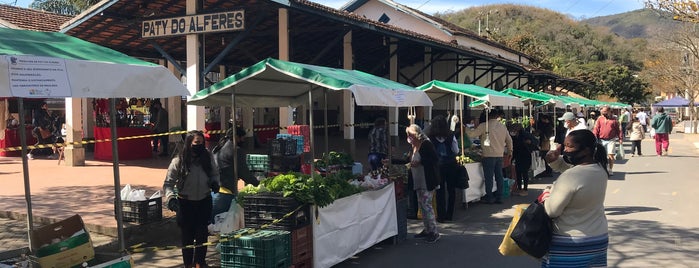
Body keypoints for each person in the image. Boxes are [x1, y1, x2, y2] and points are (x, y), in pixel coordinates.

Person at [540, 130, 609, 267]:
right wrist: (555, 161)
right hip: (598, 239)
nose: (565, 150)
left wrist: (547, 194)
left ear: (586, 150)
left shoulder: (571, 176)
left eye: (570, 146)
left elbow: (552, 211)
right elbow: (573, 171)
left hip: (571, 242)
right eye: (564, 146)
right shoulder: (600, 169)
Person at [163, 130, 220, 268]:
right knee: (187, 238)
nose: (199, 145)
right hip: (185, 204)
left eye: (201, 142)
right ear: (189, 144)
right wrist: (171, 199)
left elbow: (215, 174)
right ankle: (188, 265)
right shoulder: (179, 161)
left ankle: (200, 262)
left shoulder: (208, 157)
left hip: (204, 202)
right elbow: (168, 184)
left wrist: (214, 183)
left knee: (202, 235)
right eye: (196, 143)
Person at [211, 126, 259, 223]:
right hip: (225, 192)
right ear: (236, 137)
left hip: (214, 190)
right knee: (221, 223)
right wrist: (258, 184)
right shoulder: (235, 150)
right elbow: (244, 173)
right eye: (243, 138)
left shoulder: (219, 147)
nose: (244, 140)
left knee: (213, 222)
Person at [465, 109, 513, 204]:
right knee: (499, 176)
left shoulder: (484, 126)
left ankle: (489, 197)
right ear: (497, 116)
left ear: (489, 116)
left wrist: (464, 128)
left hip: (488, 155)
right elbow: (509, 140)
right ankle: (499, 197)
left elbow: (472, 134)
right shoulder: (503, 127)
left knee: (489, 177)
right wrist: (510, 151)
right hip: (499, 155)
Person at [406, 124, 441, 243]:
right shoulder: (413, 146)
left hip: (427, 180)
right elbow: (409, 160)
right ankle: (427, 229)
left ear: (415, 135)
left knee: (427, 205)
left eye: (410, 135)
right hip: (418, 180)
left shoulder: (426, 144)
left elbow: (434, 159)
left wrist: (420, 162)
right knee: (422, 206)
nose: (409, 137)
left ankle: (434, 232)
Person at [428, 115, 459, 222]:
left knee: (440, 191)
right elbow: (456, 151)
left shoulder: (430, 138)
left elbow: (431, 152)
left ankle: (441, 215)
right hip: (451, 165)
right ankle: (449, 214)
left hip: (438, 166)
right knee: (451, 190)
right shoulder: (451, 135)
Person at [508, 123, 537, 196]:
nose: (513, 131)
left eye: (514, 129)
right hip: (518, 156)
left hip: (525, 155)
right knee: (518, 173)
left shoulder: (526, 135)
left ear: (518, 129)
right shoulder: (514, 137)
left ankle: (525, 188)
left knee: (524, 172)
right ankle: (520, 188)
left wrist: (530, 142)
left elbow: (535, 142)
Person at [592, 106, 622, 176]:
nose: (603, 113)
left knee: (611, 155)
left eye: (605, 112)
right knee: (602, 155)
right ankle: (603, 168)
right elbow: (596, 128)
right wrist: (594, 137)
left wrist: (620, 139)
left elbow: (619, 130)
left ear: (609, 111)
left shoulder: (614, 120)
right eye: (602, 112)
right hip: (601, 140)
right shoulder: (600, 119)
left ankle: (610, 169)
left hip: (611, 140)